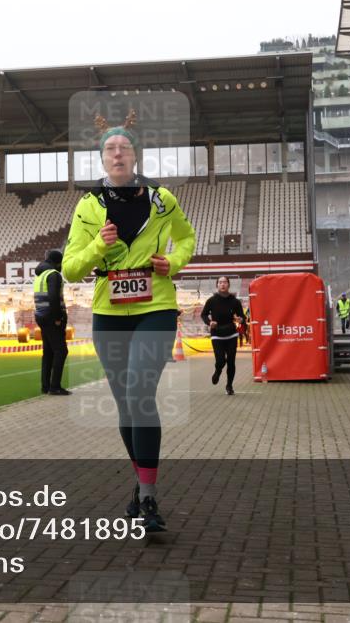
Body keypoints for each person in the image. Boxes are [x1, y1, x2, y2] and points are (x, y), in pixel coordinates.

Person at [62, 112, 196, 533]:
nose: (117, 153)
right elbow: (69, 269)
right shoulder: (88, 206)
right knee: (126, 404)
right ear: (101, 159)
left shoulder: (162, 199)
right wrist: (98, 250)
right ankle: (141, 487)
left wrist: (171, 262)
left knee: (140, 392)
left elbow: (188, 238)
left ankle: (151, 501)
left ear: (135, 155)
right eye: (109, 148)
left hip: (155, 307)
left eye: (124, 147)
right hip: (108, 313)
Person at [200, 276, 246, 395]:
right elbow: (203, 315)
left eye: (225, 282)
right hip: (217, 334)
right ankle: (218, 371)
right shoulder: (211, 300)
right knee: (220, 360)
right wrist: (210, 322)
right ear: (217, 285)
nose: (222, 284)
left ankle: (229, 386)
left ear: (228, 285)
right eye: (220, 282)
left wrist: (240, 319)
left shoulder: (235, 301)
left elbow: (242, 316)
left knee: (231, 361)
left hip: (231, 334)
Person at [34, 248, 70, 395]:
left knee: (48, 351)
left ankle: (46, 386)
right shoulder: (54, 275)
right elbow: (54, 297)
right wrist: (58, 318)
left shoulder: (41, 275)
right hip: (51, 317)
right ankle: (55, 387)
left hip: (41, 316)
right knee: (61, 350)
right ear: (57, 263)